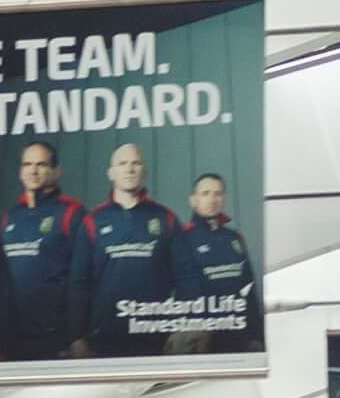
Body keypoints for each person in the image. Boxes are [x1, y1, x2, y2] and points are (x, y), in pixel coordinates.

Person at [0, 139, 93, 359]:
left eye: (41, 164)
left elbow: (82, 279)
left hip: (57, 337)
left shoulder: (71, 212)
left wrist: (77, 335)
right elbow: (0, 282)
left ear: (56, 171)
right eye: (27, 164)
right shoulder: (10, 216)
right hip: (13, 339)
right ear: (20, 171)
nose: (33, 171)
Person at [83, 140, 184, 354]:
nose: (129, 169)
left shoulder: (166, 218)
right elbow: (78, 282)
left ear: (144, 171)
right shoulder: (93, 220)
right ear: (110, 173)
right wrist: (76, 336)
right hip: (104, 335)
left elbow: (186, 278)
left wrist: (180, 327)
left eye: (135, 163)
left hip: (155, 334)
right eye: (122, 163)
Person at [167, 170, 257, 348]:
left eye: (217, 194)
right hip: (201, 337)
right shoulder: (181, 238)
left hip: (239, 334)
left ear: (224, 199)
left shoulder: (235, 238)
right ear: (193, 200)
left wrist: (256, 334)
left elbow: (249, 287)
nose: (212, 199)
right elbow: (186, 290)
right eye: (205, 193)